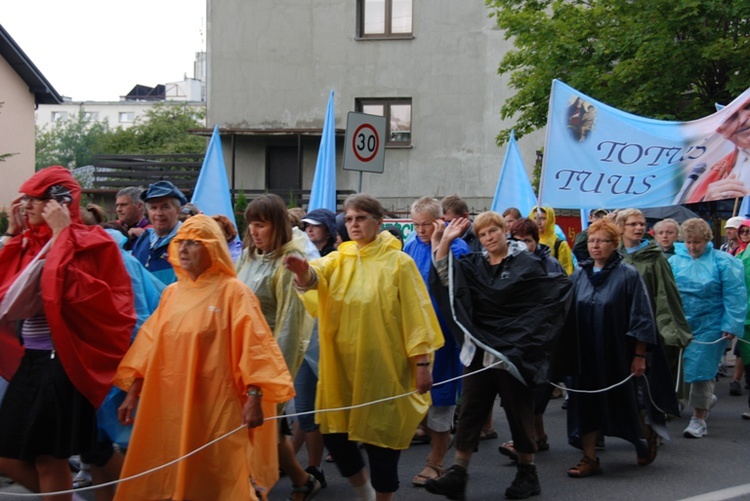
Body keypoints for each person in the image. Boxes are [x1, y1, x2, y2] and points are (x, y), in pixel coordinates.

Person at [113, 215, 294, 500]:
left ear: (212, 248)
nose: (183, 249)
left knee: (221, 473)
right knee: (177, 470)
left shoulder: (234, 293)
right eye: (180, 243)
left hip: (219, 406)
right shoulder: (172, 293)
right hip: (174, 404)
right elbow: (150, 344)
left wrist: (255, 397)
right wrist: (133, 391)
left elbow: (255, 347)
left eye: (193, 243)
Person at [284, 193, 443, 501]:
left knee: (382, 441)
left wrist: (422, 364)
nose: (354, 224)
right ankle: (363, 491)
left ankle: (383, 497)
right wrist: (301, 270)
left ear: (378, 222)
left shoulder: (399, 263)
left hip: (383, 370)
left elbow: (416, 314)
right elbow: (314, 277)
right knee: (335, 434)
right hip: (341, 370)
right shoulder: (338, 259)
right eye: (350, 219)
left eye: (361, 218)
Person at [0, 166, 135, 501]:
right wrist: (13, 234)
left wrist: (61, 237)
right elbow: (5, 290)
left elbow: (78, 296)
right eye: (26, 198)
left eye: (35, 199)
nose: (25, 205)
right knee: (10, 456)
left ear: (59, 203)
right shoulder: (30, 242)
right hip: (32, 362)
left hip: (63, 365)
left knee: (50, 459)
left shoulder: (94, 242)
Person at [425, 212, 573, 500]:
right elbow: (444, 276)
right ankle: (458, 472)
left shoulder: (527, 263)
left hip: (514, 353)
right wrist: (444, 240)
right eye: (482, 234)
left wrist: (521, 343)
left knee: (519, 411)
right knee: (470, 410)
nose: (489, 237)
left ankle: (527, 473)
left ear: (504, 230)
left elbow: (544, 303)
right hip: (480, 351)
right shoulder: (473, 264)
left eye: (493, 231)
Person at [565, 218, 676, 477]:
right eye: (592, 241)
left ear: (615, 244)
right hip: (586, 355)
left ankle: (645, 436)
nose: (595, 246)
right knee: (586, 402)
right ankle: (589, 458)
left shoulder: (628, 275)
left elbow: (641, 316)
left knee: (624, 401)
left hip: (618, 353)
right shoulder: (579, 275)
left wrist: (639, 355)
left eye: (602, 241)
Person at [235, 194, 321, 499]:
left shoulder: (289, 260)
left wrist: (269, 381)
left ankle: (253, 488)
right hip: (241, 356)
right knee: (268, 429)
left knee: (258, 428)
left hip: (265, 359)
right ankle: (300, 479)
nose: (255, 231)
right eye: (251, 225)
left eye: (261, 225)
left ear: (277, 226)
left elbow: (289, 327)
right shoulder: (249, 255)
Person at [404, 197, 470, 487]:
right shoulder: (409, 246)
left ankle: (437, 461)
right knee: (417, 395)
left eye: (426, 224)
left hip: (443, 336)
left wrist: (440, 242)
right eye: (416, 225)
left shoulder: (457, 247)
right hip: (416, 336)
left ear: (440, 220)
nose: (420, 230)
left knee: (441, 399)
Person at [669, 218, 747, 438]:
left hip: (711, 322)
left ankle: (698, 418)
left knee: (701, 370)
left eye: (698, 242)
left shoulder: (722, 262)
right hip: (682, 322)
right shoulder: (675, 261)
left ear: (707, 240)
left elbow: (735, 295)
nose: (693, 247)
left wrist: (731, 324)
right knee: (682, 369)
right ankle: (699, 399)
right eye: (689, 242)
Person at [496, 218, 566, 463]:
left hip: (541, 337)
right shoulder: (508, 264)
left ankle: (526, 440)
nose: (523, 246)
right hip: (517, 337)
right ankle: (537, 435)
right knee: (522, 391)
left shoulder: (550, 264)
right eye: (518, 241)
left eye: (528, 240)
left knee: (533, 391)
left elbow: (556, 301)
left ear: (536, 241)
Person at [616, 209, 692, 412]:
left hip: (648, 328)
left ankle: (651, 428)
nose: (639, 227)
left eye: (641, 224)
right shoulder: (615, 256)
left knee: (649, 381)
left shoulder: (655, 258)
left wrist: (670, 330)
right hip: (621, 328)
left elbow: (666, 296)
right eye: (633, 224)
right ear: (621, 227)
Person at [685, 98, 750, 203]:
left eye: (748, 108)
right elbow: (696, 204)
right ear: (721, 130)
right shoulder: (720, 168)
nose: (742, 121)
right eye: (732, 119)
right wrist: (709, 200)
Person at [131, 181, 187, 286]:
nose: (159, 213)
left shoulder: (188, 241)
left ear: (177, 210)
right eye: (153, 208)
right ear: (148, 212)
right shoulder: (144, 239)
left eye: (165, 207)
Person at [529, 206, 574, 274]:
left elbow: (567, 271)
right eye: (535, 218)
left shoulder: (560, 244)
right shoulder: (528, 240)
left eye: (543, 218)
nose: (538, 222)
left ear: (550, 220)